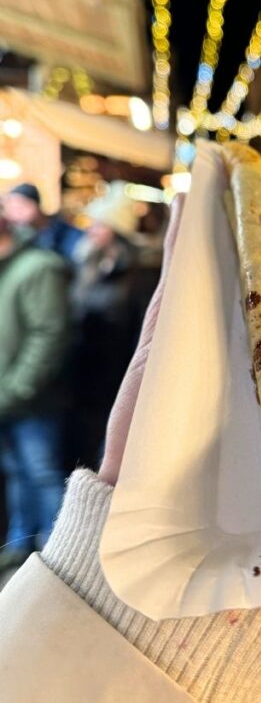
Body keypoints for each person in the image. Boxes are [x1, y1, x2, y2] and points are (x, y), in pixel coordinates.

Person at [0, 196, 261, 703]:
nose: (94, 230)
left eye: (104, 223)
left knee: (36, 475)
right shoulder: (79, 267)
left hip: (102, 424)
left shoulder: (87, 272)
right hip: (117, 444)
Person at [0, 209, 70, 571]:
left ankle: (60, 557)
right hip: (8, 399)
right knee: (16, 473)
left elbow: (49, 335)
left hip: (32, 400)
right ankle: (20, 545)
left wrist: (15, 391)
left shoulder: (39, 267)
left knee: (42, 473)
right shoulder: (12, 268)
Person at [69, 182, 151, 468]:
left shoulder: (137, 273)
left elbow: (138, 324)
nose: (91, 230)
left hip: (115, 368)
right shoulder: (88, 263)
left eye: (99, 225)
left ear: (115, 231)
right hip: (87, 368)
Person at [3, 182, 82, 262]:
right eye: (11, 208)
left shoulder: (65, 232)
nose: (17, 213)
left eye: (21, 206)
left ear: (35, 204)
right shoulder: (21, 236)